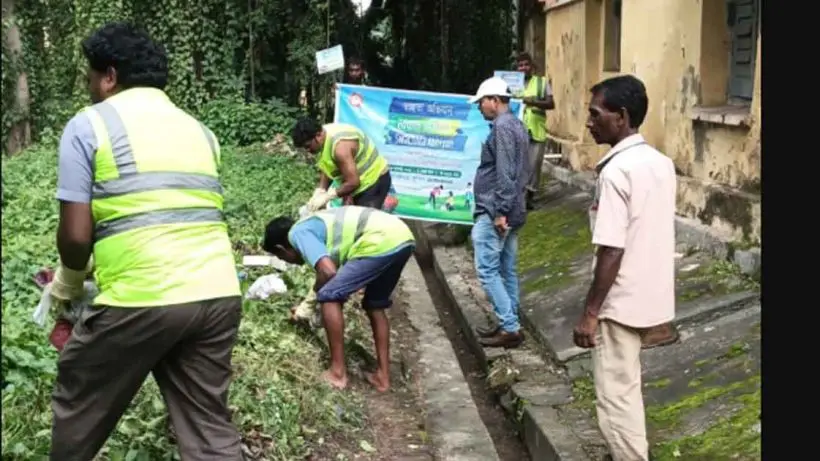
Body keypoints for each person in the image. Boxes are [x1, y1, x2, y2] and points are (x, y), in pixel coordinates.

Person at [50, 22, 244, 460]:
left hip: (143, 297)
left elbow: (77, 235)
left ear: (110, 76)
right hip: (218, 296)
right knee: (208, 428)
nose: (89, 86)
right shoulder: (201, 131)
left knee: (80, 401)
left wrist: (69, 282)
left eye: (90, 76)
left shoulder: (89, 125)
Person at [572, 75, 677, 461]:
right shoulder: (661, 164)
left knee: (617, 401)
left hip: (620, 300)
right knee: (629, 389)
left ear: (622, 117)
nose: (589, 122)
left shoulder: (616, 172)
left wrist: (590, 312)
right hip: (652, 295)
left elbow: (612, 248)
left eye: (596, 114)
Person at [263, 206, 415, 392]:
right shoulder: (315, 226)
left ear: (281, 248)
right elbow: (328, 274)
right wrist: (310, 305)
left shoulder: (298, 233)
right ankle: (382, 377)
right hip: (402, 238)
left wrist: (312, 304)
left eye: (282, 257)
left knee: (329, 297)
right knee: (374, 304)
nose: (287, 261)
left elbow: (328, 272)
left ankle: (337, 374)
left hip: (379, 240)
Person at [468, 76, 529, 348]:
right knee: (506, 269)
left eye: (481, 102)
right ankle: (509, 319)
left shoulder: (503, 127)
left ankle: (509, 326)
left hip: (497, 209)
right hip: (513, 207)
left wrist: (500, 212)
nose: (480, 108)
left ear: (494, 100)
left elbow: (505, 173)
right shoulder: (516, 124)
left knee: (487, 270)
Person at [291, 118, 391, 211]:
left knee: (362, 224)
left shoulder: (340, 148)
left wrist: (328, 196)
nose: (308, 150)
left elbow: (353, 183)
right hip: (354, 181)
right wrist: (321, 190)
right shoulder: (322, 139)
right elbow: (328, 165)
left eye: (308, 146)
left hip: (373, 181)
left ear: (318, 135)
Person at [516, 52, 555, 209]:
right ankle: (519, 197)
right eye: (520, 65)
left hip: (536, 130)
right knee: (519, 165)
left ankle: (530, 197)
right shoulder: (511, 84)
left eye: (526, 64)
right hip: (517, 130)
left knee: (534, 165)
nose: (523, 68)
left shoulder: (542, 82)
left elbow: (551, 104)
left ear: (531, 66)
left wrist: (533, 101)